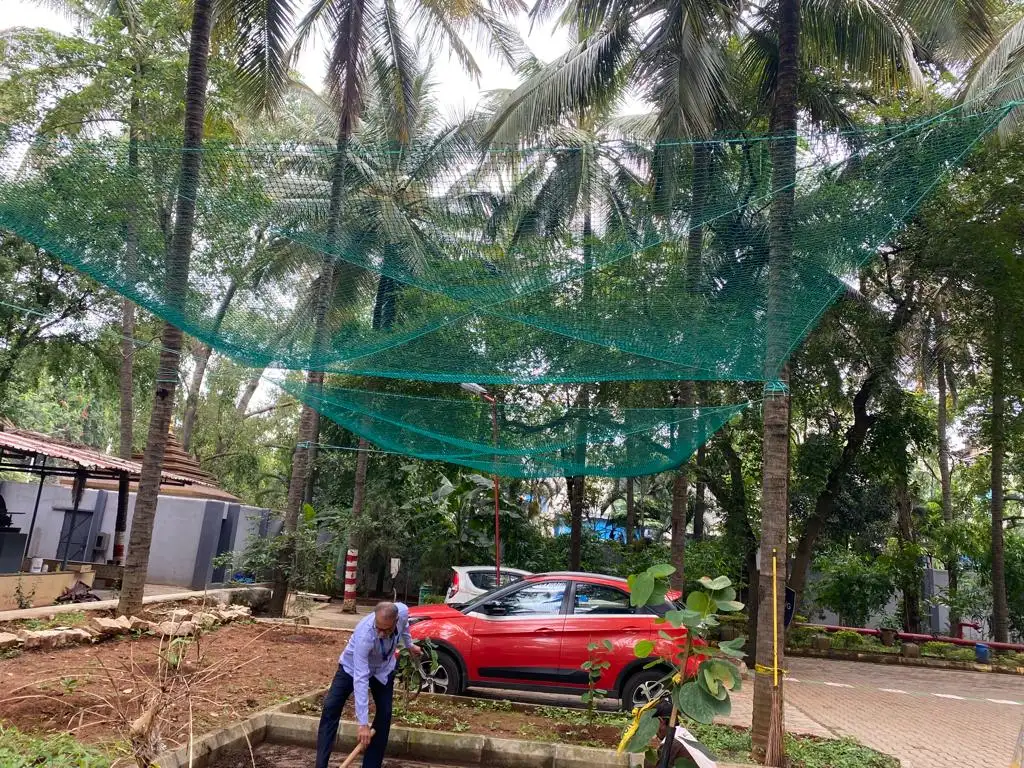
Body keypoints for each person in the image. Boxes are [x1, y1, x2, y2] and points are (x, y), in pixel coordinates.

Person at [316, 601, 421, 768]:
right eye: (377, 628)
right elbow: (361, 679)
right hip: (352, 668)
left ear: (395, 621)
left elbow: (405, 626)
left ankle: (371, 765)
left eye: (386, 630)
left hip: (382, 669)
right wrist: (363, 724)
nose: (380, 633)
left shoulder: (402, 612)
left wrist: (409, 644)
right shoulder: (364, 634)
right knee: (330, 707)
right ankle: (320, 764)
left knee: (385, 714)